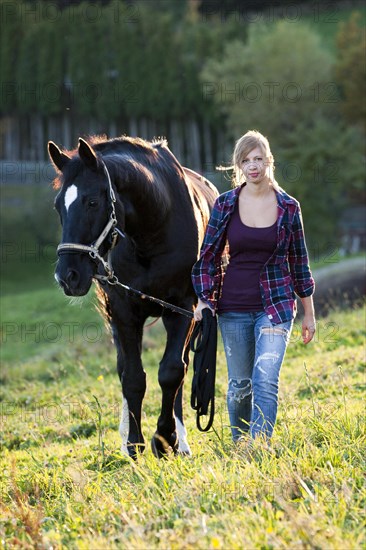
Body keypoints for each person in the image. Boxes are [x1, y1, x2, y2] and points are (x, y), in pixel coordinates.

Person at [192, 130, 316, 444]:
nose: (253, 165)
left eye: (258, 158)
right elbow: (207, 258)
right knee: (239, 386)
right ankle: (240, 444)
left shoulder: (289, 207)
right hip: (233, 309)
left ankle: (258, 449)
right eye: (246, 160)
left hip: (275, 307)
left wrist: (309, 314)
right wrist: (204, 300)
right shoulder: (225, 205)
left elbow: (299, 263)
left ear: (268, 161)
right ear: (238, 166)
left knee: (265, 380)